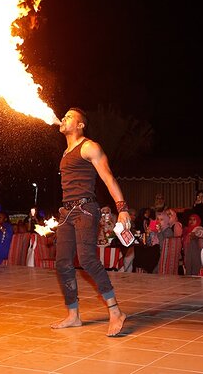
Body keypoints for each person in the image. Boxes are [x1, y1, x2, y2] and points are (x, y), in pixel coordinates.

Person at [51, 107, 128, 337]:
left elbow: (108, 177)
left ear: (80, 125)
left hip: (85, 209)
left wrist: (122, 209)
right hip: (66, 212)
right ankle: (73, 315)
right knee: (62, 263)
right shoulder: (65, 153)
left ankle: (115, 311)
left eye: (69, 116)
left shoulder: (89, 146)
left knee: (86, 259)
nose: (63, 118)